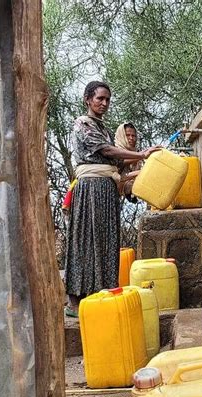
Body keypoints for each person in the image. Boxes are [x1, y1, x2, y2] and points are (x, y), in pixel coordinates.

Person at [64, 81, 159, 317]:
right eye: (100, 99)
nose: (104, 103)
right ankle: (75, 301)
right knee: (86, 240)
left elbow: (115, 161)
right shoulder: (83, 124)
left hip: (105, 189)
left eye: (107, 99)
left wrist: (148, 156)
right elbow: (107, 151)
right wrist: (140, 153)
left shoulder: (103, 128)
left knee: (107, 241)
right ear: (88, 99)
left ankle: (102, 293)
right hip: (91, 188)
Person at [114, 122, 142, 202]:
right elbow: (119, 165)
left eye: (133, 136)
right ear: (121, 136)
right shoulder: (114, 150)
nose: (131, 138)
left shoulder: (136, 153)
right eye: (127, 135)